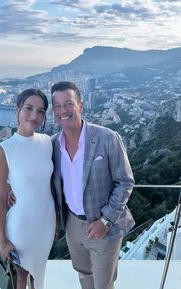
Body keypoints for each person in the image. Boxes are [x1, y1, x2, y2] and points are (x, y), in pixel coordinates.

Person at [51, 81, 135, 289]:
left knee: (103, 285)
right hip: (72, 224)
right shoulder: (52, 144)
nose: (63, 110)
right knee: (84, 276)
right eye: (57, 106)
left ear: (80, 105)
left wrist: (105, 221)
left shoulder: (106, 137)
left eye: (68, 103)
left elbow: (125, 181)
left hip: (103, 225)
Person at [0, 89, 56, 289]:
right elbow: (1, 198)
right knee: (21, 277)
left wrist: (58, 221)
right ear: (17, 109)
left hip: (47, 223)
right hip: (21, 227)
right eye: (28, 108)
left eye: (41, 111)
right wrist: (2, 241)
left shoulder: (47, 142)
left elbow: (50, 184)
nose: (34, 116)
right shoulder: (3, 150)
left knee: (39, 274)